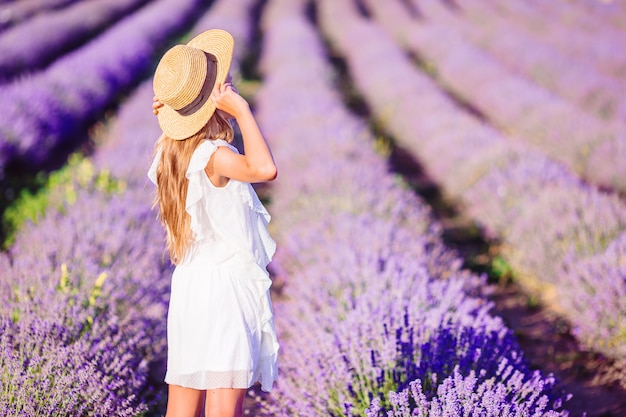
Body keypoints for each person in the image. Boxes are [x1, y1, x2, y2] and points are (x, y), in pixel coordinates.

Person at [148, 29, 279, 417]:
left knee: (182, 406)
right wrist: (243, 111)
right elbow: (264, 168)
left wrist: (175, 113)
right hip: (223, 291)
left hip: (190, 286)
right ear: (212, 100)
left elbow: (180, 135)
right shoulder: (213, 155)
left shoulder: (168, 152)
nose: (231, 86)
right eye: (224, 84)